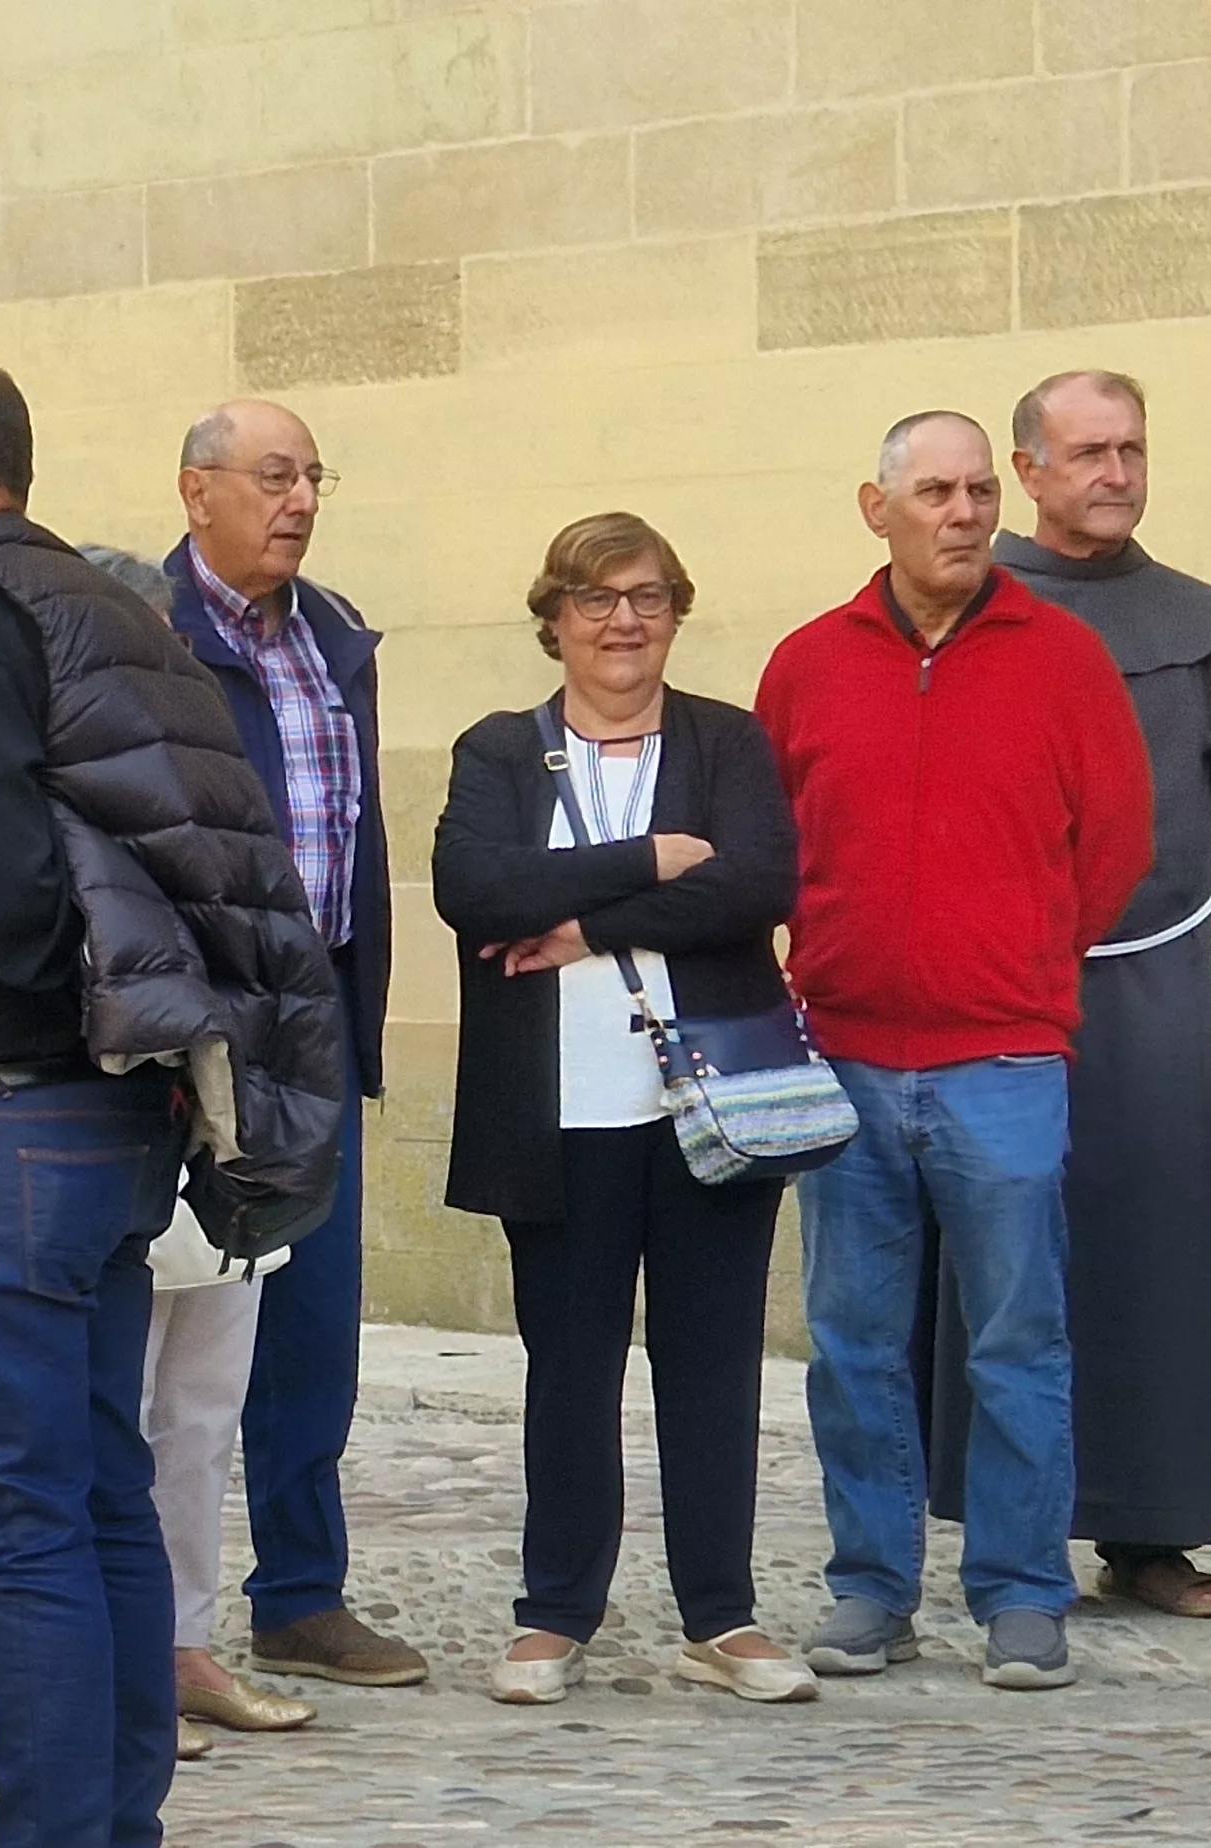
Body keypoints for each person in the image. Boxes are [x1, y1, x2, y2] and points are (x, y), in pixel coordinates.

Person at [0, 348, 347, 1848]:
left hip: (1, 1130)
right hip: (94, 1124)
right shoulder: (99, 599)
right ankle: (115, 1825)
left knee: (24, 1527)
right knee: (99, 1494)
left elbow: (10, 881)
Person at [755, 411, 1152, 1692]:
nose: (966, 512)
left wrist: (1024, 962)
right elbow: (767, 842)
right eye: (936, 490)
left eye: (981, 489)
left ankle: (1022, 1590)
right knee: (853, 1345)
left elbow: (1118, 847)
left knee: (1015, 1344)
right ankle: (870, 1589)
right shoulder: (808, 664)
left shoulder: (1066, 659)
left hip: (1003, 1063)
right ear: (876, 509)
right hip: (846, 1060)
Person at [427, 514, 819, 1709]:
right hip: (556, 1118)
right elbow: (473, 888)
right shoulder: (500, 752)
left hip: (709, 1107)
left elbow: (757, 884)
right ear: (553, 618)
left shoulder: (727, 741)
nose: (623, 622)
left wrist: (589, 925)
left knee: (710, 1367)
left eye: (647, 597)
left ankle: (723, 1614)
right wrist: (653, 862)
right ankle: (554, 1614)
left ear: (674, 611)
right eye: (596, 600)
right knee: (570, 1367)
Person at [925, 372, 1211, 1620]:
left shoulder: (1198, 626)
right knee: (1010, 1256)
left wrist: (1144, 927)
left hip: (1159, 973)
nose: (1113, 473)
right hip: (995, 982)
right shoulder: (962, 613)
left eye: (1130, 449)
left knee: (1156, 1244)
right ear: (1027, 470)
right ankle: (1005, 1535)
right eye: (1085, 453)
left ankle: (1154, 1532)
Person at [153, 399, 418, 1689]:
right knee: (179, 1332)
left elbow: (357, 844)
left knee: (313, 1323)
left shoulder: (335, 636)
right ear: (195, 490)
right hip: (200, 1023)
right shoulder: (147, 633)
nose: (298, 499)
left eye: (312, 475)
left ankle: (300, 1593)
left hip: (315, 1018)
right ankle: (154, 1617)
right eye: (272, 476)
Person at [76, 546, 311, 1761]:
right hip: (117, 1128)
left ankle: (184, 1645)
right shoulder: (60, 769)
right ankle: (109, 1662)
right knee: (104, 1414)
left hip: (222, 1124)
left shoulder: (209, 758)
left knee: (203, 1412)